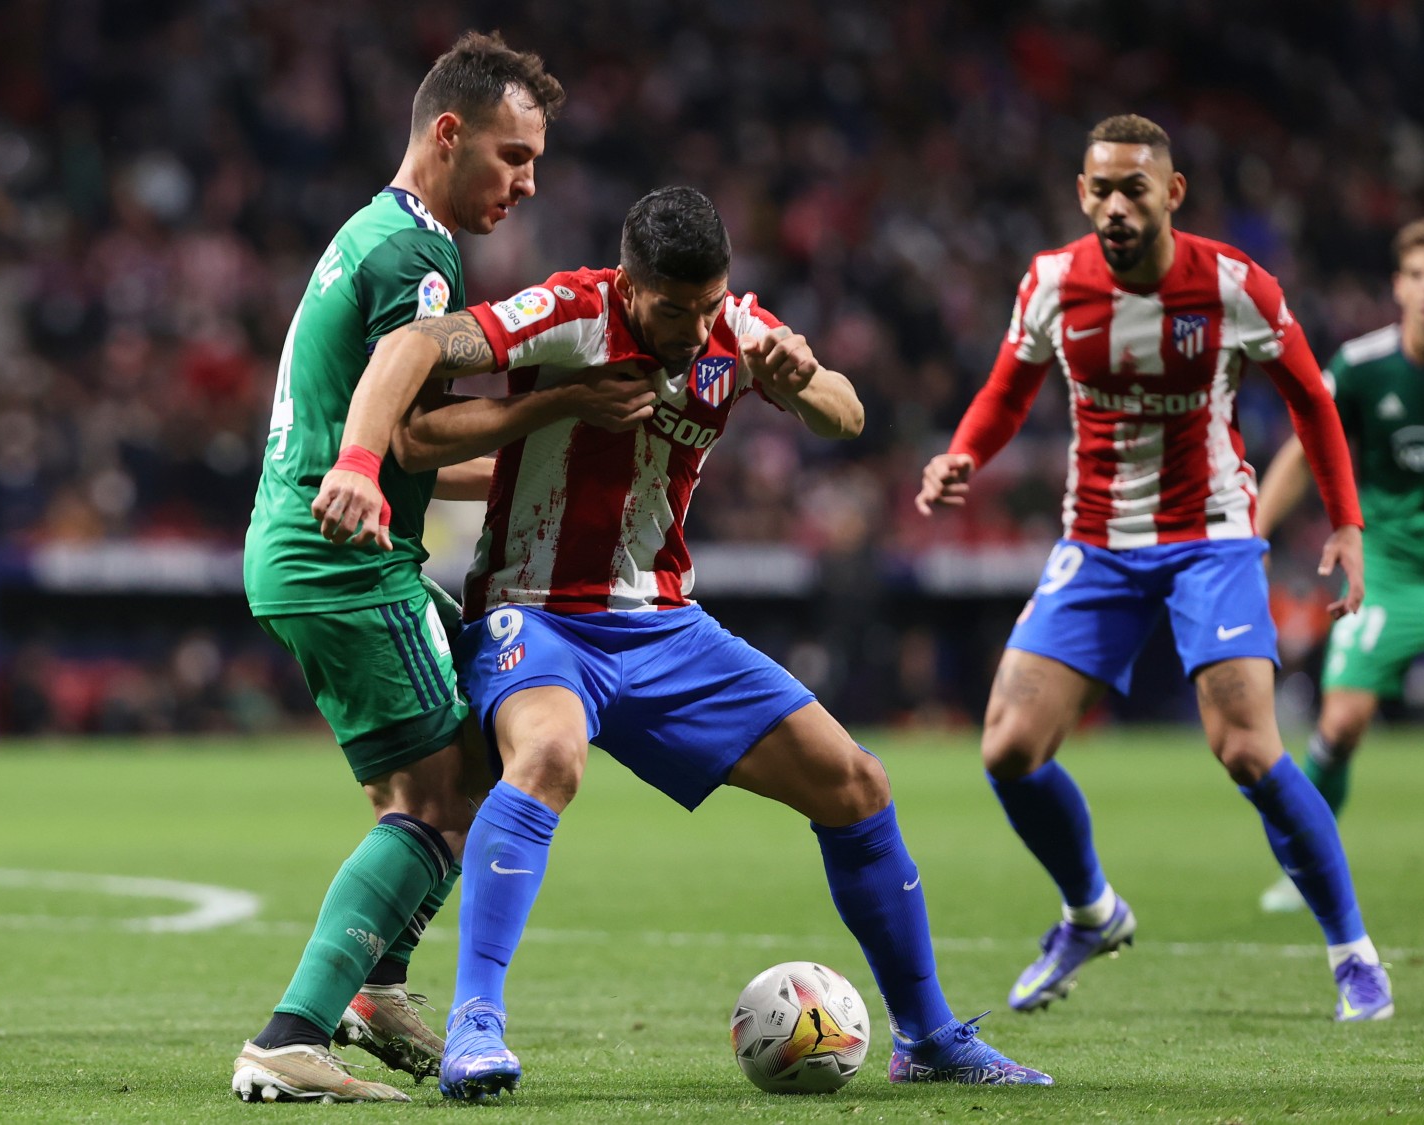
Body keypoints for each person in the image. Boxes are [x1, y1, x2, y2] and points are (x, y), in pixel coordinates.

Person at [318, 186, 1053, 1099]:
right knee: (547, 755)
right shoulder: (568, 310)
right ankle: (475, 1024)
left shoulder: (733, 330)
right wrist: (359, 458)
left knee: (858, 784)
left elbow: (848, 415)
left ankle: (930, 1034)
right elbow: (417, 345)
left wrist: (800, 373)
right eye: (676, 308)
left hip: (667, 628)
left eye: (710, 302)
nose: (696, 324)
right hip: (537, 613)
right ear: (630, 285)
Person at [236, 31, 653, 1104]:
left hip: (316, 546)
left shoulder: (376, 233)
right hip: (344, 558)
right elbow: (411, 443)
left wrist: (549, 471)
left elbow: (423, 455)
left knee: (443, 776)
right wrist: (563, 401)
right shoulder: (414, 257)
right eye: (513, 157)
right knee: (459, 790)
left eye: (537, 162)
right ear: (448, 133)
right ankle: (294, 1033)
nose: (527, 183)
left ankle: (376, 990)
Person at [914, 115, 1393, 1023]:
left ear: (1173, 194)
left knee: (1248, 747)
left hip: (1210, 533)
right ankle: (1091, 910)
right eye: (1101, 187)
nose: (1116, 204)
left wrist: (1347, 524)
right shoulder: (1053, 283)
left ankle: (1352, 950)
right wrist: (964, 451)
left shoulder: (1232, 284)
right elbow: (1007, 387)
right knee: (1009, 748)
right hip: (1094, 541)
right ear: (1081, 194)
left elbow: (1311, 402)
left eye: (1135, 186)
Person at [1252, 219, 1424, 914]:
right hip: (1388, 567)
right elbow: (1303, 447)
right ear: (1398, 285)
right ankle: (1307, 867)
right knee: (1342, 720)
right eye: (1417, 275)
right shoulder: (1364, 365)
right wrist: (1254, 532)